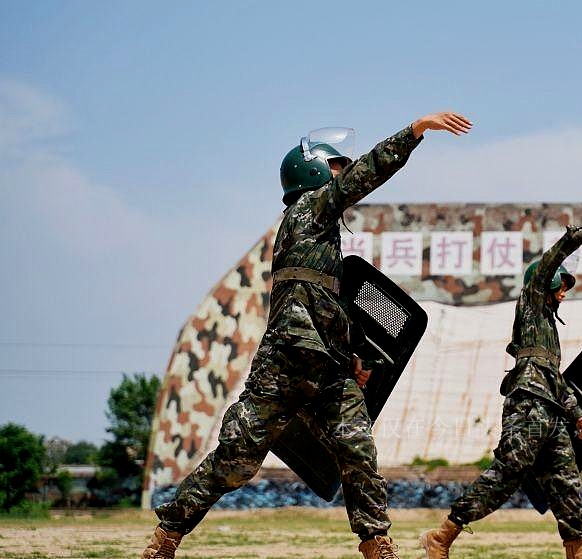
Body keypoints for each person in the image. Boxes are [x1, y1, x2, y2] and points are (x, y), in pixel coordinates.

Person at [141, 112, 472, 559]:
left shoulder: (322, 234)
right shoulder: (308, 211)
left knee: (357, 452)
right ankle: (167, 535)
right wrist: (417, 129)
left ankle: (377, 546)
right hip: (287, 360)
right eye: (337, 165)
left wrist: (352, 356)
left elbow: (323, 303)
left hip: (329, 366)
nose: (343, 171)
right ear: (315, 171)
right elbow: (366, 173)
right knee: (236, 462)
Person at [420, 203, 582, 559]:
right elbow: (551, 258)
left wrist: (577, 413)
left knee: (566, 486)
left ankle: (576, 553)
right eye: (561, 286)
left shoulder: (549, 328)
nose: (564, 292)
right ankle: (441, 536)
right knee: (508, 472)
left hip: (551, 413)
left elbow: (557, 381)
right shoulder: (532, 301)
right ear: (546, 283)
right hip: (528, 405)